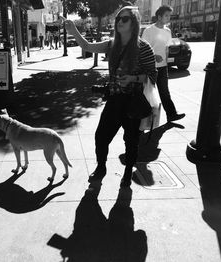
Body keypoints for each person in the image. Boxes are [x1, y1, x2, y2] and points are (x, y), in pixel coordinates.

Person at [63, 5, 157, 187]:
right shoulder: (111, 44)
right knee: (101, 137)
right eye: (118, 19)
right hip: (114, 100)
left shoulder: (143, 48)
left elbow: (153, 75)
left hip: (133, 102)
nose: (119, 22)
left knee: (131, 141)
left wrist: (133, 78)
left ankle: (128, 171)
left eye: (125, 19)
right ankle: (101, 167)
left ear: (134, 22)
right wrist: (73, 30)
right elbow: (87, 46)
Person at [142, 5, 185, 122]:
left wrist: (168, 59)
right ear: (159, 16)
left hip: (163, 67)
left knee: (165, 92)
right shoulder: (149, 30)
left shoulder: (168, 31)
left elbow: (167, 47)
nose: (168, 18)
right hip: (150, 68)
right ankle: (142, 119)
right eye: (166, 15)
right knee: (147, 94)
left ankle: (172, 114)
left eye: (169, 15)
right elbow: (143, 48)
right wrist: (154, 56)